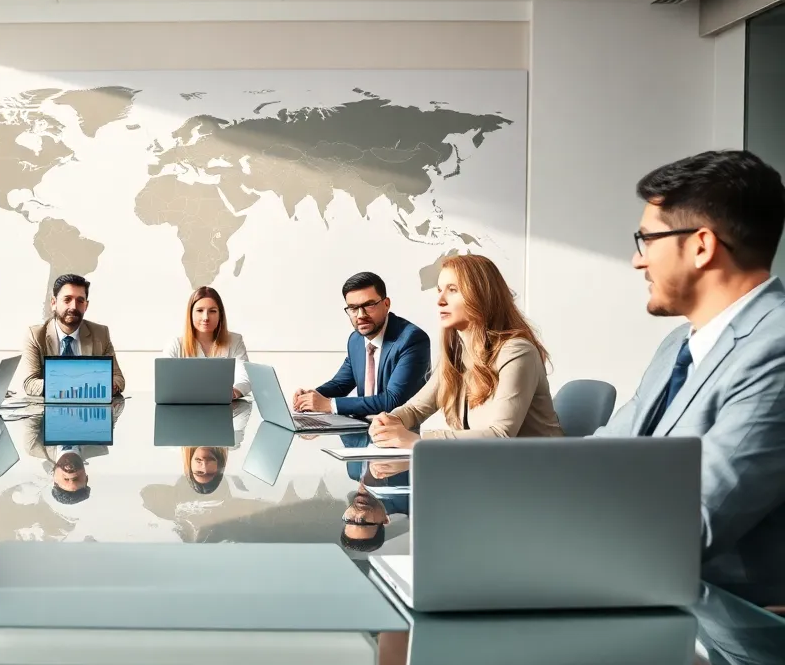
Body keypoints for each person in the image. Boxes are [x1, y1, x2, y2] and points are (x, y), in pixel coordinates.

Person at [594, 149, 785, 608]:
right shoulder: (679, 344)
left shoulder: (776, 348)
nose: (639, 261)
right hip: (649, 592)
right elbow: (598, 460)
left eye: (647, 240)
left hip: (736, 632)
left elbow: (695, 524)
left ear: (701, 245)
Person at [368, 255, 563, 447]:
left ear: (481, 295)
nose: (440, 300)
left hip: (540, 471)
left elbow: (501, 435)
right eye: (439, 290)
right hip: (488, 470)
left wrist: (418, 441)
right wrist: (389, 421)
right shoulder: (457, 355)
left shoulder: (517, 353)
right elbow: (416, 408)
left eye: (453, 290)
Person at [294, 271, 431, 417]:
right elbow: (340, 384)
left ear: (386, 304)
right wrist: (311, 396)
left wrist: (329, 405)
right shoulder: (356, 340)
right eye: (353, 308)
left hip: (397, 432)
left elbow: (393, 400)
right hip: (360, 431)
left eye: (369, 305)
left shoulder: (412, 339)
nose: (360, 315)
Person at [20, 273, 126, 396]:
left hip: (89, 410)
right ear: (53, 303)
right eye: (67, 299)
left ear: (86, 306)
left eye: (80, 301)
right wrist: (78, 384)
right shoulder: (36, 335)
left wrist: (111, 385)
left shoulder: (100, 333)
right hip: (49, 410)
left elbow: (118, 379)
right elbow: (30, 383)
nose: (74, 306)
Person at [162, 286, 251, 398]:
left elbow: (245, 376)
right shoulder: (175, 344)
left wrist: (234, 392)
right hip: (185, 410)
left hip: (223, 410)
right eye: (199, 310)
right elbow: (165, 384)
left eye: (212, 311)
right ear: (190, 314)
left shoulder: (235, 341)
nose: (206, 317)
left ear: (220, 315)